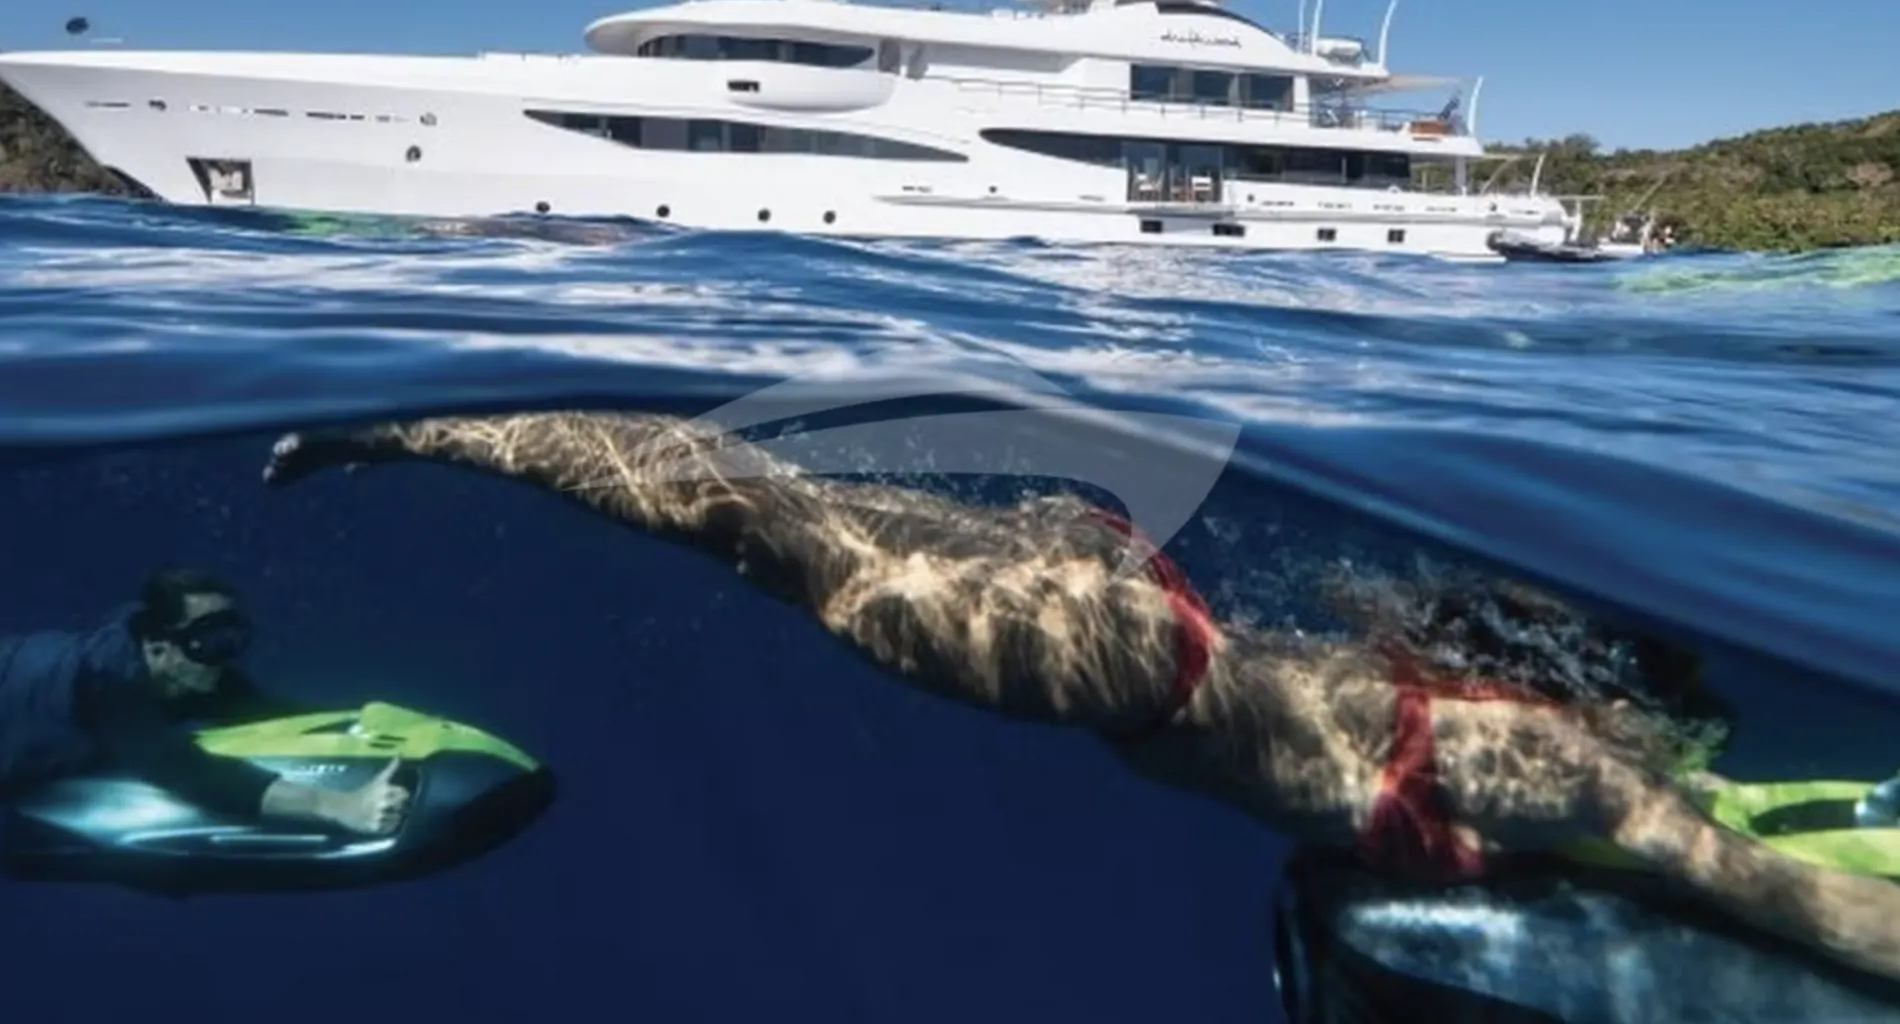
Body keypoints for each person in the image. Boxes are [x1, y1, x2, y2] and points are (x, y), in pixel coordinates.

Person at [259, 408, 1900, 984]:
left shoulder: (1528, 745)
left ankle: (432, 431)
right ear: (1638, 713)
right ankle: (420, 430)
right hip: (1117, 666)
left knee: (755, 511)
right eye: (1689, 744)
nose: (1692, 772)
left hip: (1137, 618)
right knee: (741, 516)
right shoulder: (1596, 786)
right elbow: (1789, 905)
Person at [0, 567, 410, 837]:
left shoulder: (191, 669)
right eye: (208, 642)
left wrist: (368, 731)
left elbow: (272, 714)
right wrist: (338, 805)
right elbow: (180, 769)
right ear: (158, 649)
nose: (223, 657)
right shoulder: (109, 682)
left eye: (232, 640)